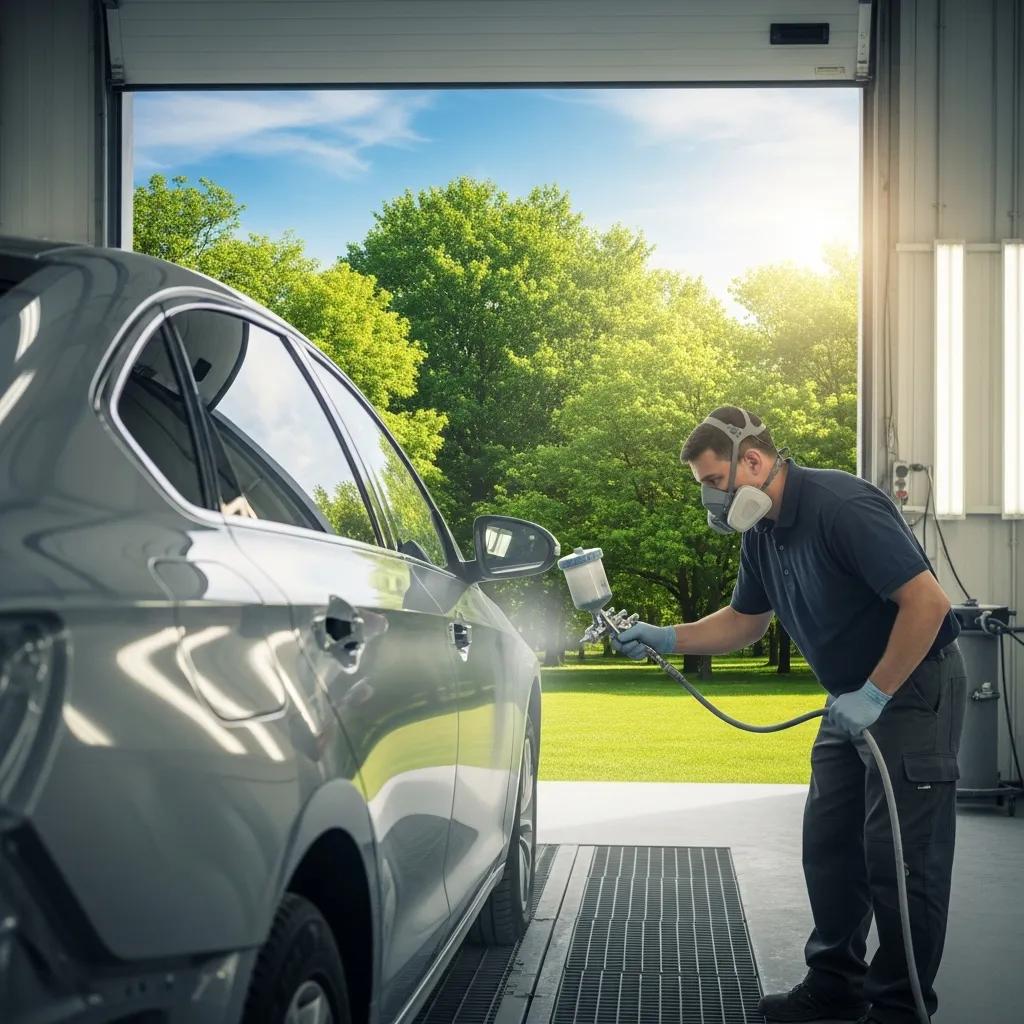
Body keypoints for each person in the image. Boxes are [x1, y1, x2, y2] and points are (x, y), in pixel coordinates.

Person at [613, 406, 964, 1024]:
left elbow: (928, 603)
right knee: (829, 845)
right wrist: (665, 637)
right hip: (848, 699)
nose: (712, 499)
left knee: (902, 859)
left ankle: (900, 1009)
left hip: (909, 688)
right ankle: (835, 987)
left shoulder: (841, 505)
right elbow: (745, 623)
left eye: (716, 482)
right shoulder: (764, 534)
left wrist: (877, 695)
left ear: (753, 461)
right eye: (704, 486)